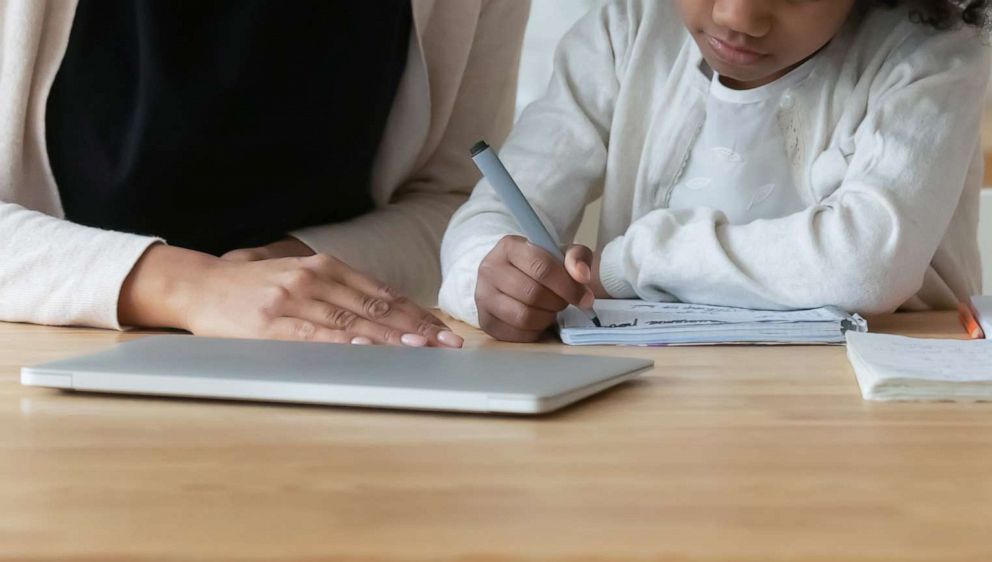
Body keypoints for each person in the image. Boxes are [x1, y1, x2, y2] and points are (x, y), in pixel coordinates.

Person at [439, 0, 991, 342]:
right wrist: (489, 280)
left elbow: (867, 262)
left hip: (877, 410)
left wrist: (633, 262)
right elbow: (493, 214)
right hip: (655, 403)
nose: (736, 16)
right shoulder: (625, 32)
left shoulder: (933, 59)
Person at [0, 0, 528, 347]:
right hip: (52, 355)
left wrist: (293, 269)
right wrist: (191, 287)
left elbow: (455, 195)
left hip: (330, 359)